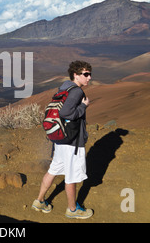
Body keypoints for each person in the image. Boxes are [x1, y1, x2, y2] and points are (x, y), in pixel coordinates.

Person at [32, 60, 93, 219]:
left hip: (60, 139)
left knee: (53, 170)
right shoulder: (77, 92)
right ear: (75, 75)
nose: (89, 78)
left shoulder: (64, 88)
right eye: (85, 74)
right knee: (71, 176)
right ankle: (73, 210)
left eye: (89, 74)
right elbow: (66, 113)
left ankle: (39, 201)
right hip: (71, 142)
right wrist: (83, 107)